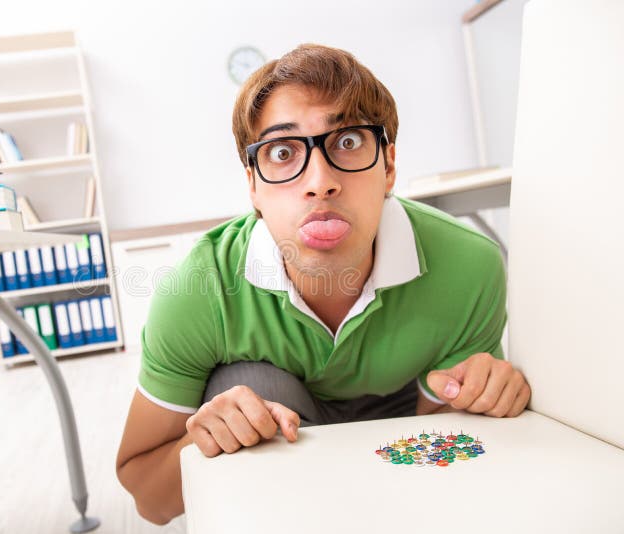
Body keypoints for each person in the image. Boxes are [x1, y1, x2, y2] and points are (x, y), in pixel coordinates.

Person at [116, 43, 530, 525]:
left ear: (389, 165)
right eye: (282, 152)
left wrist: (482, 397)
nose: (320, 181)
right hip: (282, 438)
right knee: (244, 384)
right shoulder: (200, 288)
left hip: (400, 421)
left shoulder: (468, 266)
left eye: (348, 142)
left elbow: (439, 453)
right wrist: (203, 437)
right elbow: (150, 500)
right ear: (253, 184)